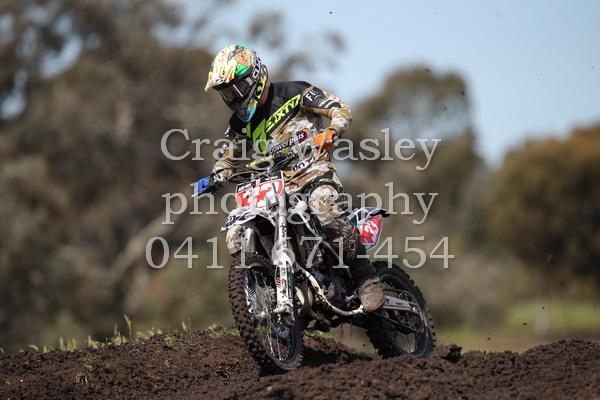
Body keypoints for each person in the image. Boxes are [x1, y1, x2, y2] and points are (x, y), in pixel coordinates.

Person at [196, 44, 384, 312]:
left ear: (255, 76)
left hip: (312, 171)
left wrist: (332, 131)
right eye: (227, 92)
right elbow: (228, 158)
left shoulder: (294, 92)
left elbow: (339, 108)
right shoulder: (239, 123)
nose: (234, 96)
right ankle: (274, 291)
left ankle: (366, 277)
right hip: (273, 185)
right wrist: (215, 176)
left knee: (324, 207)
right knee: (236, 234)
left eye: (238, 87)